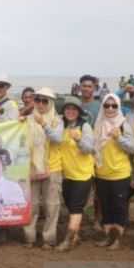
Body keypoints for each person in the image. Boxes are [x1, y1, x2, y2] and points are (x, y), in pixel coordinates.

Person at [46, 96, 95, 251]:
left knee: (75, 208)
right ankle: (76, 235)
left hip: (83, 174)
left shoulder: (84, 126)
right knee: (70, 205)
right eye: (68, 108)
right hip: (67, 174)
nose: (70, 111)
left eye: (74, 109)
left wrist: (79, 139)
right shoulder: (62, 125)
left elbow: (89, 149)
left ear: (79, 112)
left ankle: (67, 240)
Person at [93, 93, 134, 250]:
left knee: (119, 207)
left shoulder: (124, 125)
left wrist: (119, 138)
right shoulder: (98, 124)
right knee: (106, 207)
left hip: (120, 173)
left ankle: (117, 239)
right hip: (101, 173)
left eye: (114, 106)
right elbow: (94, 148)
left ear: (118, 107)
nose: (110, 108)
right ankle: (108, 237)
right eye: (107, 105)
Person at [21, 87, 62, 250]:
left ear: (51, 103)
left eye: (45, 101)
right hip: (31, 167)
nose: (41, 104)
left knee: (52, 205)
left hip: (52, 167)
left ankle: (49, 239)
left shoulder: (57, 120)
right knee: (32, 205)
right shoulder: (27, 119)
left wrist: (44, 124)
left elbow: (57, 139)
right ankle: (29, 237)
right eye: (37, 100)